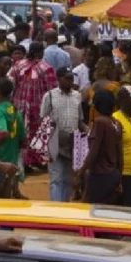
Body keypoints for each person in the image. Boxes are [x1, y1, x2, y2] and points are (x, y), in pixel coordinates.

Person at [8, 42, 57, 168]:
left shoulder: (19, 65)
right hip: (39, 107)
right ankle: (36, 159)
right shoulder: (46, 68)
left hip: (19, 105)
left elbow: (10, 83)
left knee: (22, 132)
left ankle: (24, 160)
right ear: (41, 52)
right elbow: (52, 89)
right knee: (38, 133)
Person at [41, 67, 86, 202]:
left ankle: (64, 206)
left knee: (67, 178)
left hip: (73, 142)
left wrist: (87, 131)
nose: (70, 81)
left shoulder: (77, 96)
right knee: (56, 177)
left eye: (71, 78)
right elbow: (42, 119)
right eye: (67, 78)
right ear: (59, 79)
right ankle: (55, 208)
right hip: (55, 141)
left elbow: (80, 120)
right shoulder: (49, 96)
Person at [76, 90, 123, 204]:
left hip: (100, 175)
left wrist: (80, 173)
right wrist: (120, 178)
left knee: (89, 210)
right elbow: (120, 154)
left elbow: (94, 152)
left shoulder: (100, 122)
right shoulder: (116, 124)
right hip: (113, 175)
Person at [0, 78, 26, 199]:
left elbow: (2, 133)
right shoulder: (15, 110)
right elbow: (24, 140)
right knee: (6, 199)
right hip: (12, 163)